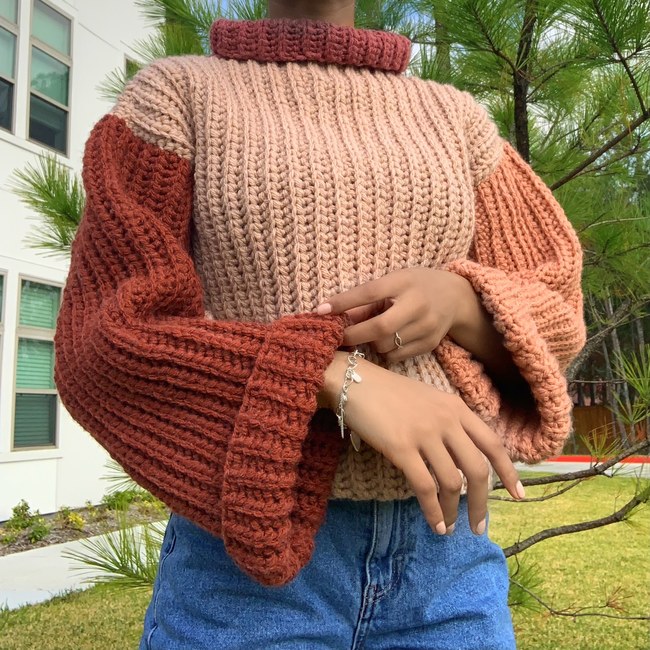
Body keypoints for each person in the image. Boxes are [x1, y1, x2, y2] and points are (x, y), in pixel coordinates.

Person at [53, 0, 587, 648]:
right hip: (246, 560)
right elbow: (106, 334)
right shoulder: (175, 98)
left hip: (447, 558)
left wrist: (462, 301)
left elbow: (557, 304)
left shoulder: (459, 120)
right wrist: (333, 377)